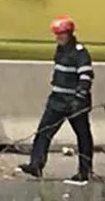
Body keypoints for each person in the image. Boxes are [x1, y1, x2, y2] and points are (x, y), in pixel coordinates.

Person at [17, 16, 95, 185]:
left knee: (83, 136)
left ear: (69, 34)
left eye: (61, 34)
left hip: (75, 102)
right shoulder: (60, 50)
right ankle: (36, 165)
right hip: (57, 100)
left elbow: (86, 76)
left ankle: (84, 171)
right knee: (43, 132)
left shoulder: (79, 52)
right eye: (56, 34)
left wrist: (79, 98)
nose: (58, 37)